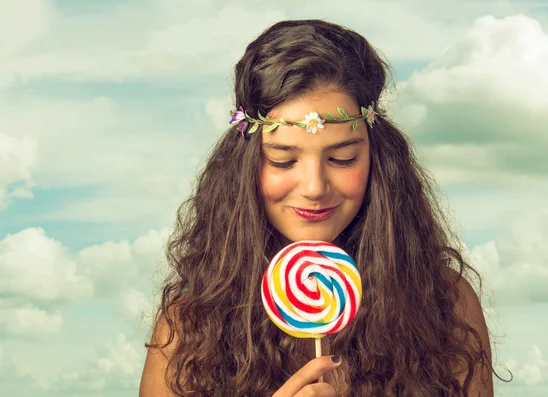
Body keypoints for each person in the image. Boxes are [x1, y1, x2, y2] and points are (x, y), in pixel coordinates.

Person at [140, 19, 506, 396]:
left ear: (378, 162)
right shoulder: (187, 326)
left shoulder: (445, 303)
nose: (314, 188)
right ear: (243, 168)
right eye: (283, 161)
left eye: (343, 158)